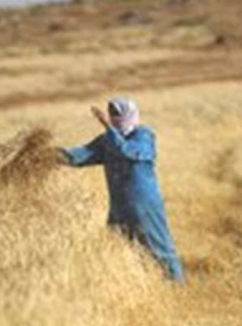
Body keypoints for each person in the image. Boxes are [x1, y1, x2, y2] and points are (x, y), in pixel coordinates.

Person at [60, 97, 186, 284]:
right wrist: (49, 156)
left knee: (160, 249)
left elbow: (130, 152)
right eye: (112, 114)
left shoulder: (144, 135)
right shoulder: (107, 140)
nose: (115, 117)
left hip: (145, 205)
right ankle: (133, 288)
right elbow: (81, 155)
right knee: (116, 249)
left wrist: (107, 127)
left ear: (131, 115)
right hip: (119, 207)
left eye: (119, 113)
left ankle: (178, 288)